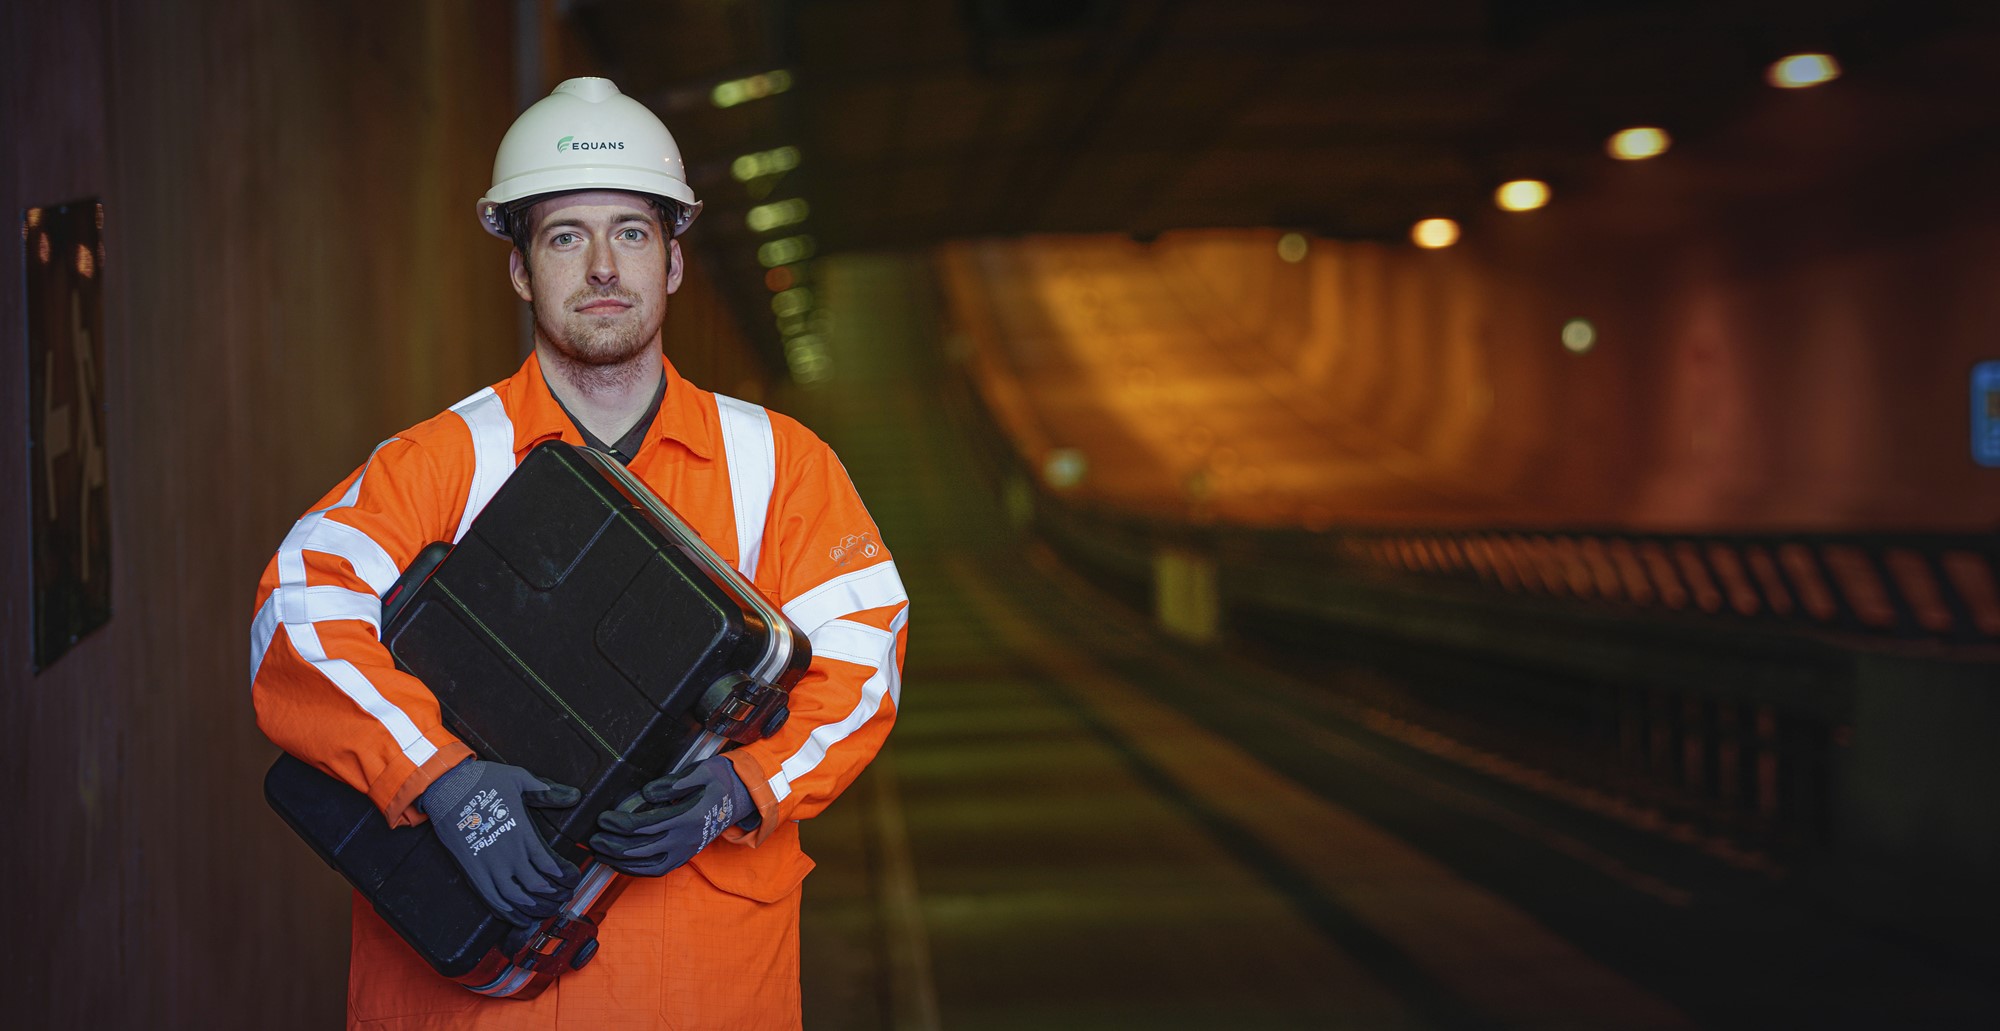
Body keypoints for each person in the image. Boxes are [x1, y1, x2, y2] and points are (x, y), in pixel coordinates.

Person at [250, 77, 908, 1030]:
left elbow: (865, 654)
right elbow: (297, 611)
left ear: (674, 262)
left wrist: (742, 787)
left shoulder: (779, 465)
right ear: (521, 270)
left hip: (707, 996)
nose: (603, 265)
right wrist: (444, 779)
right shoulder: (445, 461)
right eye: (565, 236)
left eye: (632, 233)